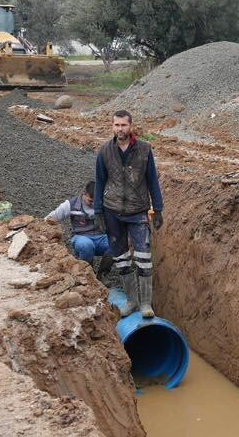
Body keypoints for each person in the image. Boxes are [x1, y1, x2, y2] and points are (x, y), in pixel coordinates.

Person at [95, 110, 163, 317]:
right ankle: (132, 301)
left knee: (143, 257)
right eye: (116, 125)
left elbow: (152, 180)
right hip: (112, 211)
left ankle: (146, 304)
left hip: (137, 211)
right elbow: (99, 181)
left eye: (124, 125)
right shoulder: (105, 151)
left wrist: (158, 208)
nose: (120, 129)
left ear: (131, 126)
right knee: (122, 260)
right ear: (112, 126)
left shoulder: (144, 150)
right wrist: (98, 211)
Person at [46, 180, 111, 267]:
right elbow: (51, 218)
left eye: (96, 201)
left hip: (101, 237)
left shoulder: (104, 203)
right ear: (83, 193)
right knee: (86, 245)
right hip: (81, 237)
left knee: (117, 245)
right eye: (90, 201)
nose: (93, 204)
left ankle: (103, 272)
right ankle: (87, 269)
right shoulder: (71, 204)